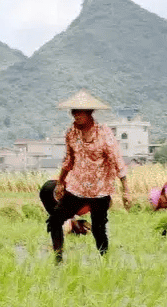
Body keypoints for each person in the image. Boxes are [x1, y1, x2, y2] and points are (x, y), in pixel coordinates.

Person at [48, 92, 127, 260]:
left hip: (100, 190)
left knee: (99, 229)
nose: (76, 115)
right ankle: (58, 258)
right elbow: (68, 160)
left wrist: (126, 190)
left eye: (80, 112)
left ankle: (105, 261)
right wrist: (61, 182)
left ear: (90, 113)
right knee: (55, 220)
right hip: (77, 188)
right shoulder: (71, 133)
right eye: (74, 112)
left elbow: (116, 159)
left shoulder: (104, 133)